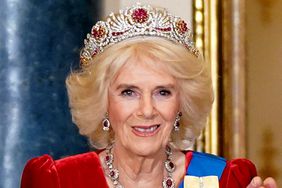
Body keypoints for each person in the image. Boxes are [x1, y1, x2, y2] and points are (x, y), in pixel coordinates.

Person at [21, 4, 277, 188]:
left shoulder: (223, 180)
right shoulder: (58, 181)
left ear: (181, 103)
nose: (146, 110)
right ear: (104, 103)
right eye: (128, 92)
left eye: (162, 92)